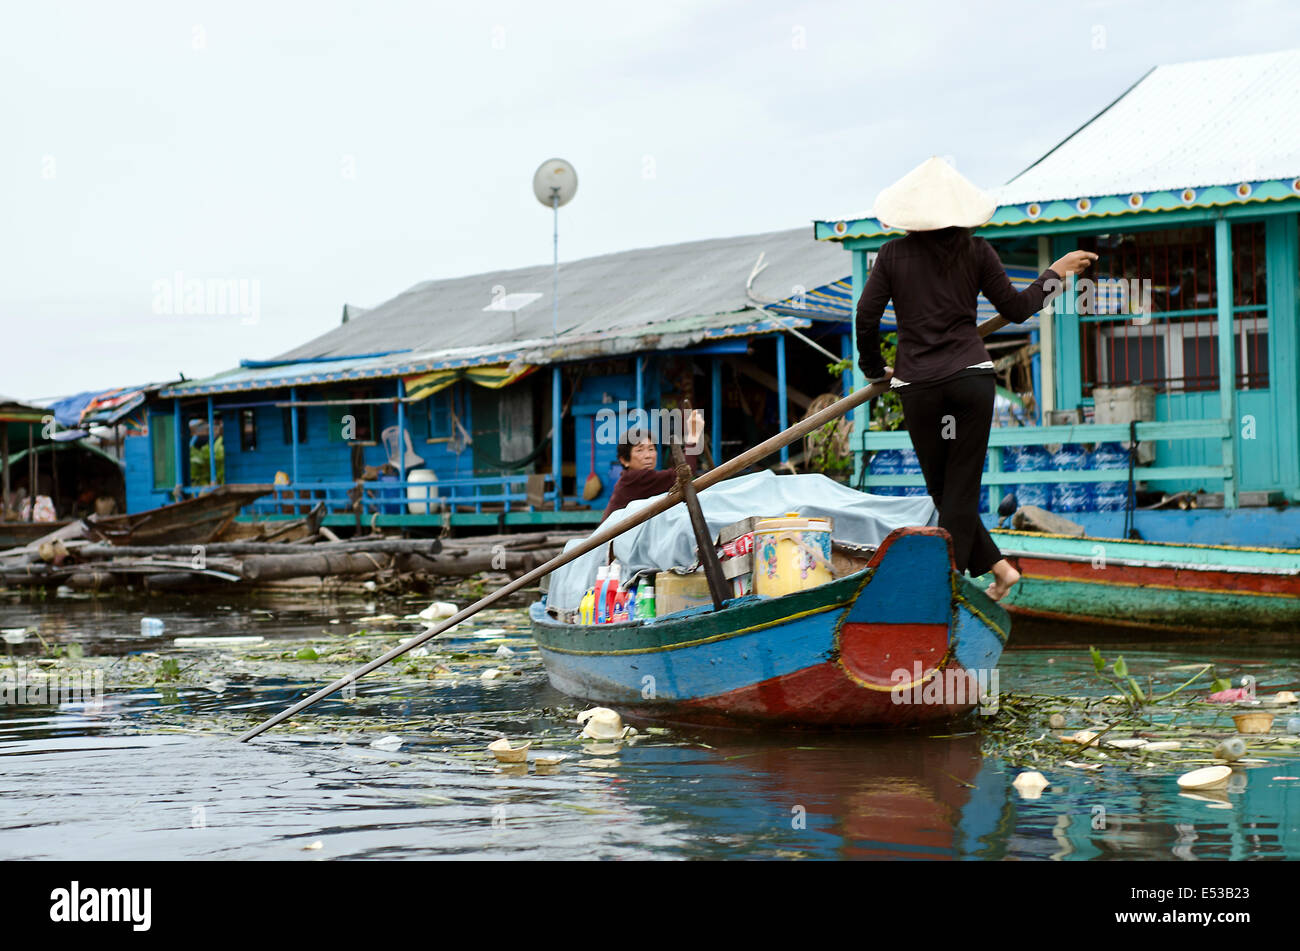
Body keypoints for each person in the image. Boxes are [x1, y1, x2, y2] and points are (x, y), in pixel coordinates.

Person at [855, 157, 1097, 600]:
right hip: (970, 381)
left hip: (918, 387)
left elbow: (865, 318)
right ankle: (999, 571)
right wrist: (1055, 273)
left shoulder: (892, 255)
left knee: (948, 490)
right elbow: (1017, 309)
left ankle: (943, 586)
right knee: (956, 491)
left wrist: (875, 372)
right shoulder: (976, 250)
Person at [599, 409, 705, 523]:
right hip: (610, 539)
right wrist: (693, 437)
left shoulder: (631, 478)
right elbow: (685, 472)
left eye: (651, 449)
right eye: (640, 450)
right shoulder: (636, 478)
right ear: (624, 460)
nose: (648, 456)